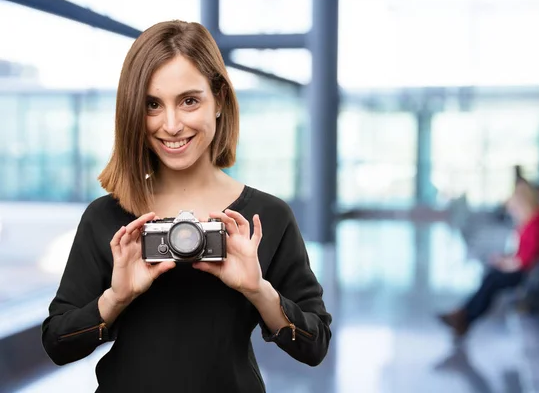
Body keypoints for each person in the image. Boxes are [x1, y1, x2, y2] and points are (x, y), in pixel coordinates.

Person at [41, 20, 332, 392]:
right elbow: (57, 345)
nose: (172, 124)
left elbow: (315, 345)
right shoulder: (108, 218)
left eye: (189, 100)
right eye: (152, 105)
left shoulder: (264, 218)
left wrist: (258, 290)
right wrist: (116, 298)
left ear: (219, 101)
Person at [438, 179, 539, 338]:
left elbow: (527, 261)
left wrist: (506, 263)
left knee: (494, 278)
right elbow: (525, 254)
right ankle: (464, 315)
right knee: (493, 275)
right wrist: (505, 261)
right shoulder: (534, 219)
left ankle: (464, 316)